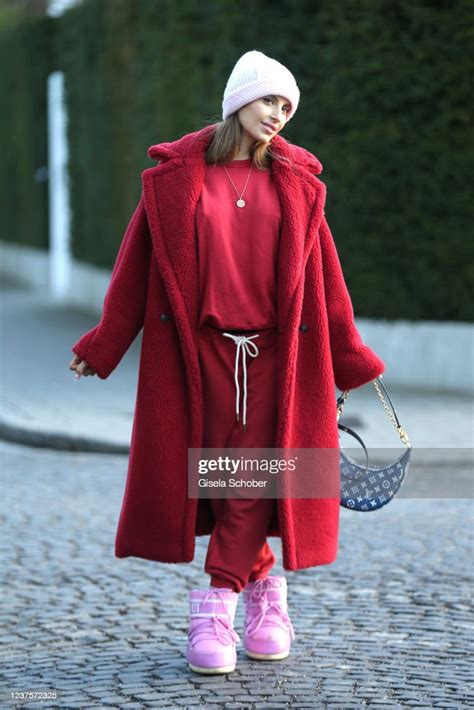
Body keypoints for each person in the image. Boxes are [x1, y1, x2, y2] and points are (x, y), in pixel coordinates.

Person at [69, 49, 385, 674]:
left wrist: (351, 356)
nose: (278, 115)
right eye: (270, 100)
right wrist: (104, 342)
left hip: (277, 356)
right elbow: (136, 268)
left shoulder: (298, 184)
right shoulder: (175, 179)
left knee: (245, 475)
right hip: (199, 355)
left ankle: (214, 605)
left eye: (287, 107)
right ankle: (267, 595)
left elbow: (326, 278)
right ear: (239, 100)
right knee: (222, 481)